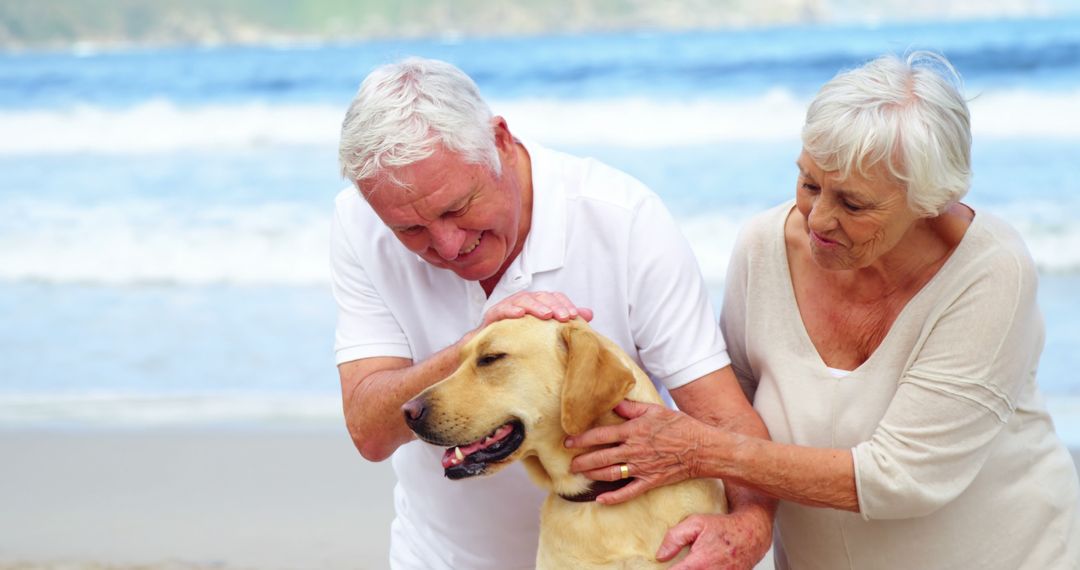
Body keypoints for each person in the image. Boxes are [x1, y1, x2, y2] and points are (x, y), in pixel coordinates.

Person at [566, 51, 1080, 568]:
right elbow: (733, 409)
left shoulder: (990, 272)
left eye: (853, 205)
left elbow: (903, 478)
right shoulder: (763, 247)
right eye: (810, 184)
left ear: (930, 200)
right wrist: (739, 513)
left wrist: (704, 451)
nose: (819, 219)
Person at [331, 57, 774, 569]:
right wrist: (479, 343)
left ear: (500, 140)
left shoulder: (623, 220)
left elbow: (721, 416)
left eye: (458, 207)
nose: (448, 245)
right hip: (441, 557)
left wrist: (751, 526)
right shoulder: (360, 223)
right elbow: (369, 428)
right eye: (411, 230)